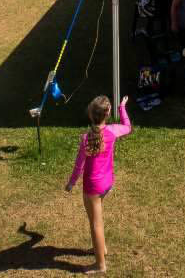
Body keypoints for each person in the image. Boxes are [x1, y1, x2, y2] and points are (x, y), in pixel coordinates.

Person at [64, 94, 132, 273]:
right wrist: (122, 107)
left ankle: (100, 264)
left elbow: (79, 165)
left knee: (96, 224)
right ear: (107, 114)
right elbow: (127, 127)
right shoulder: (113, 131)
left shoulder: (86, 138)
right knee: (97, 220)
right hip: (107, 183)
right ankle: (101, 249)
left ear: (90, 114)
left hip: (92, 188)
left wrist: (71, 183)